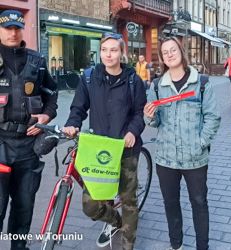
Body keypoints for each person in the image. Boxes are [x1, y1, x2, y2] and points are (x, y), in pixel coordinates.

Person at [63, 33, 146, 250]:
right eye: (104, 50)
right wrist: (73, 123)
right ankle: (116, 222)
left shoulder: (133, 80)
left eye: (113, 50)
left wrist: (133, 132)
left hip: (126, 150)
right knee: (91, 205)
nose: (108, 55)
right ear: (100, 52)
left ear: (121, 53)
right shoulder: (89, 78)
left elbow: (139, 113)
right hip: (99, 151)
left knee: (128, 201)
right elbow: (78, 108)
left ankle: (128, 245)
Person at [144, 36, 221, 250]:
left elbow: (213, 117)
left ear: (181, 51)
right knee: (171, 204)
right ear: (161, 58)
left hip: (195, 159)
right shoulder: (157, 86)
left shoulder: (202, 83)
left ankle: (202, 247)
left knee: (199, 204)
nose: (169, 54)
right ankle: (175, 245)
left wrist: (200, 143)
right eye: (165, 52)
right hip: (165, 158)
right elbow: (154, 122)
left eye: (173, 49)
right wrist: (149, 115)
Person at [0, 9, 58, 250]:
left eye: (17, 28)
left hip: (28, 146)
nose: (13, 33)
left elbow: (52, 95)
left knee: (24, 207)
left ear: (22, 29)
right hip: (0, 144)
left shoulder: (37, 61)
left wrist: (45, 115)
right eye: (7, 28)